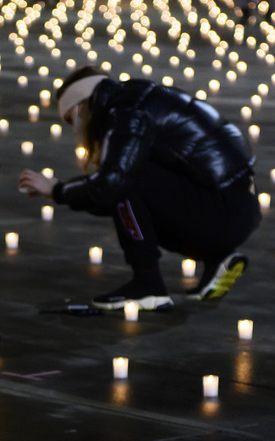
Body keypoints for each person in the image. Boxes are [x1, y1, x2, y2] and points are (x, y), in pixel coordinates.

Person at [19, 66, 262, 312]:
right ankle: (216, 257)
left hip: (224, 211)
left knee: (125, 180)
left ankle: (148, 285)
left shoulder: (127, 112)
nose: (76, 130)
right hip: (235, 207)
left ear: (81, 106)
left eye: (72, 120)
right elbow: (123, 202)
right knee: (126, 187)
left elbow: (111, 186)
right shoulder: (135, 100)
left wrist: (58, 191)